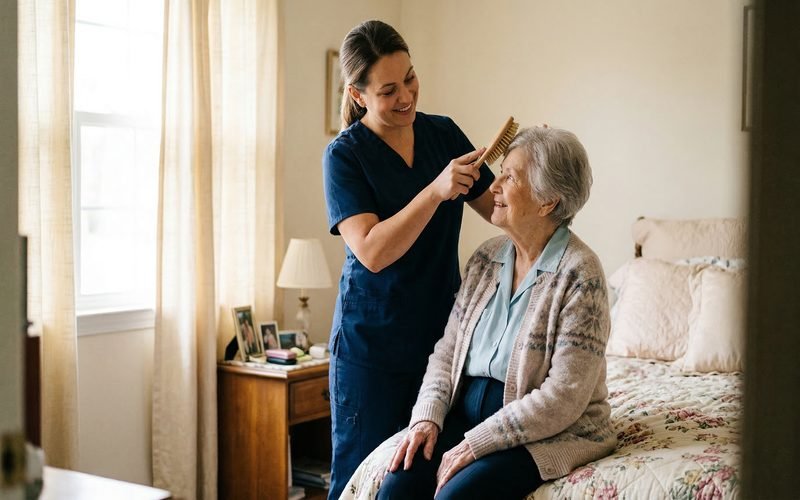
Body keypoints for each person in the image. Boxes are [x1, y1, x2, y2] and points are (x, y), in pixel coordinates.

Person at [377, 127, 617, 499]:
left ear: (548, 201)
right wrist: (427, 417)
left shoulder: (580, 274)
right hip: (467, 414)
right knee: (396, 487)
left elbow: (564, 396)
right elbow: (447, 352)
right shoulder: (486, 258)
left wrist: (477, 443)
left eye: (510, 177)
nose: (493, 187)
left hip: (543, 430)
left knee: (455, 496)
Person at [322, 19, 496, 499]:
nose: (406, 96)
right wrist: (436, 191)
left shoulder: (443, 135)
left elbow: (499, 209)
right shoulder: (344, 157)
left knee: (418, 479)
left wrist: (533, 166)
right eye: (388, 90)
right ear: (359, 96)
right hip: (371, 352)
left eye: (411, 79)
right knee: (361, 482)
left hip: (441, 346)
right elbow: (373, 251)